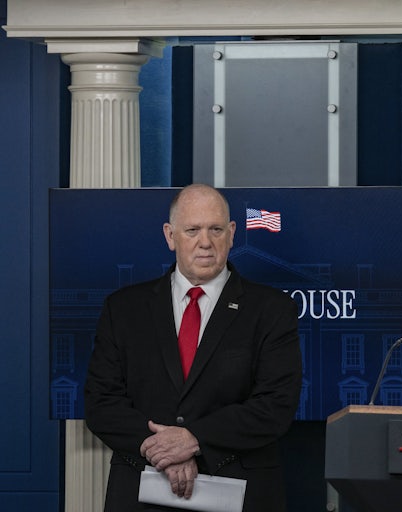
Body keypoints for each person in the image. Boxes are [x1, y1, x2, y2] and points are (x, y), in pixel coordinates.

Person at [84, 184, 303, 511]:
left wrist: (193, 439)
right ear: (170, 236)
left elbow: (275, 405)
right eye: (192, 230)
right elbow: (101, 402)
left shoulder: (272, 310)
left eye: (216, 229)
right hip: (142, 490)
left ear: (231, 234)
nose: (205, 242)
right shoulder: (124, 309)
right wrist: (160, 451)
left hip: (241, 491)